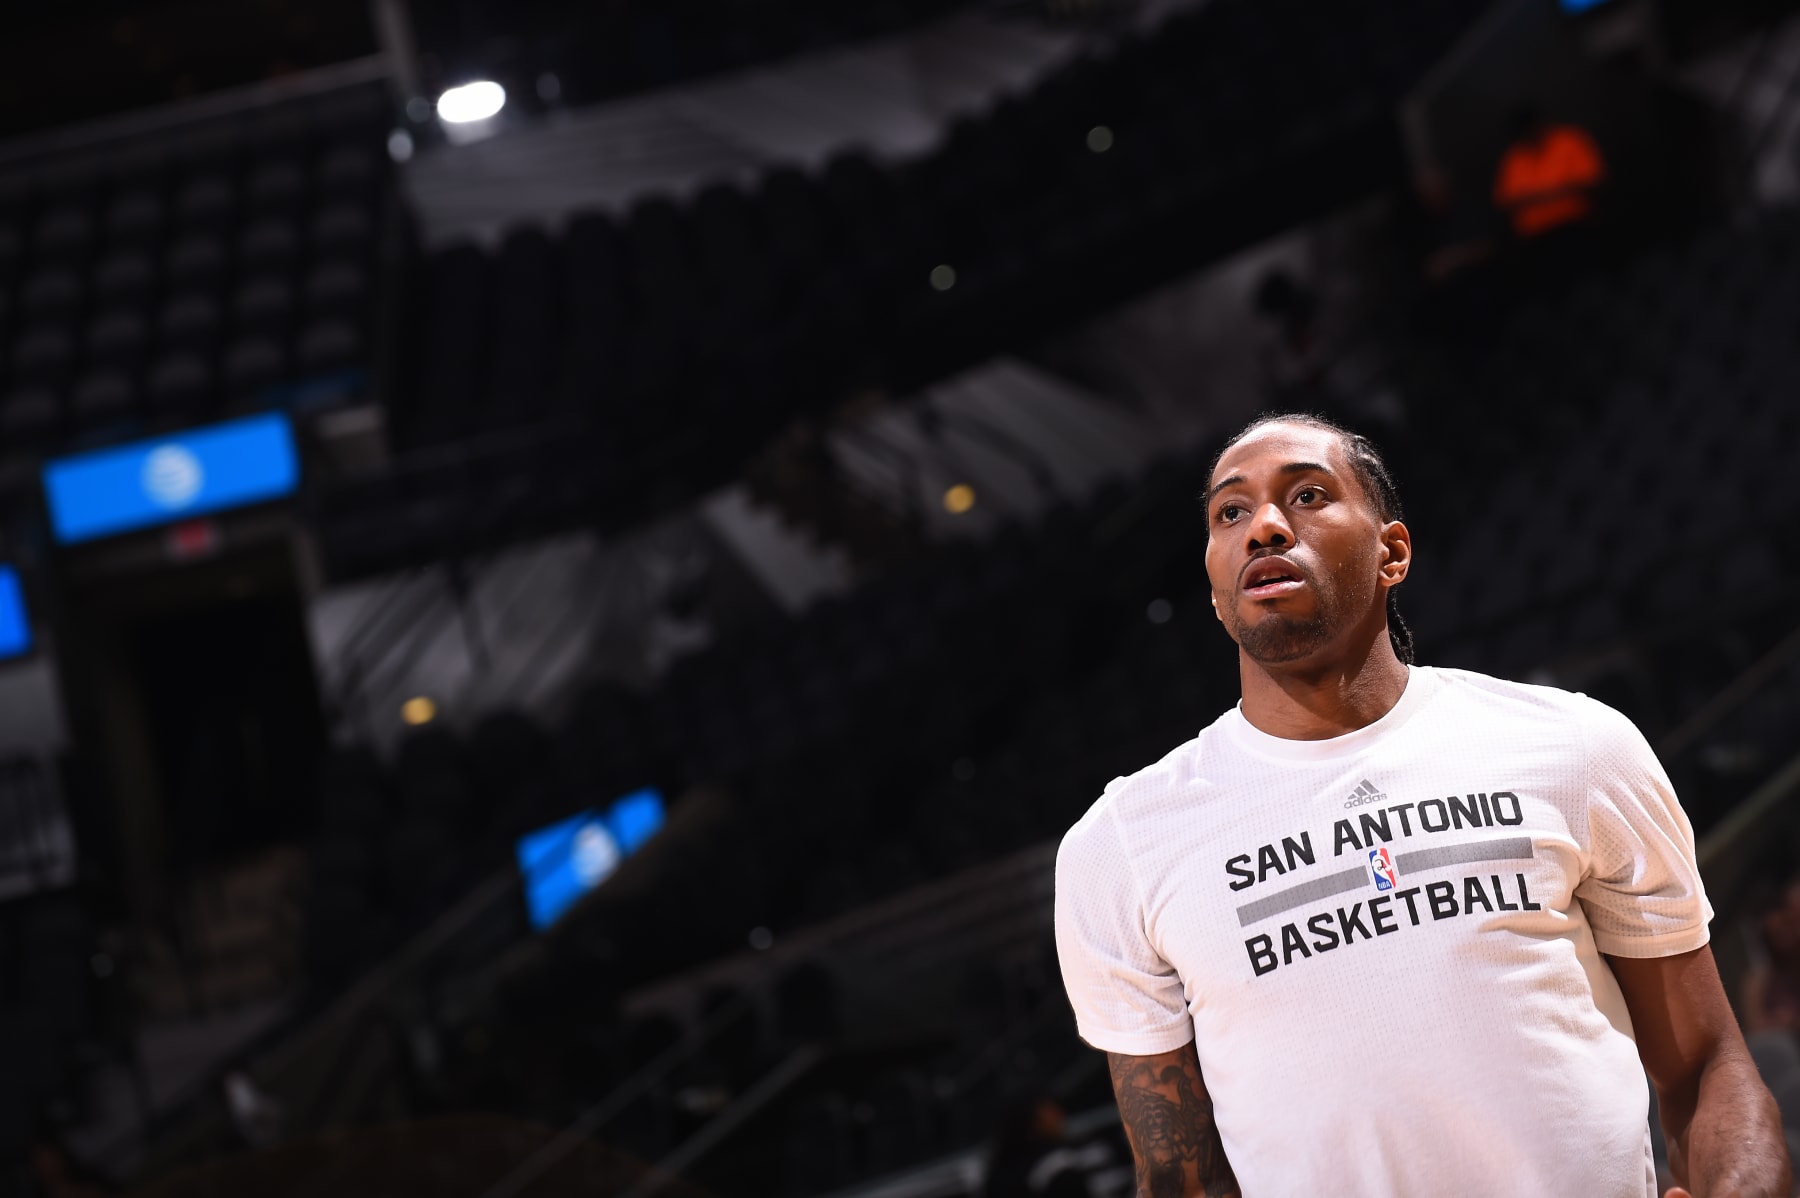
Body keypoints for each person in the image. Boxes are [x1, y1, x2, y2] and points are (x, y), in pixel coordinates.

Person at [1053, 412, 1789, 1197]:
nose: (1264, 527)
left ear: (1391, 553)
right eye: (1230, 512)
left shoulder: (1577, 749)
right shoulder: (1124, 844)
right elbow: (1176, 1176)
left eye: (1306, 495)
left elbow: (1708, 1066)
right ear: (1214, 589)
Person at [1493, 105, 1607, 243]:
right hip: (1533, 237)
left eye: (1534, 128)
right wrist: (1560, 191)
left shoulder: (1570, 140)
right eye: (1526, 132)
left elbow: (1592, 181)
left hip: (1576, 225)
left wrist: (1535, 197)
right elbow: (1506, 201)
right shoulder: (1514, 156)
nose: (1532, 134)